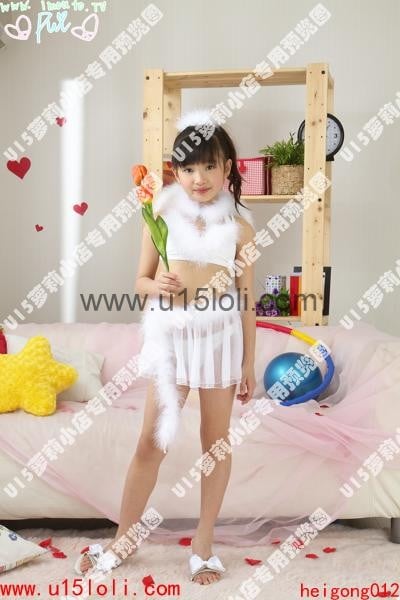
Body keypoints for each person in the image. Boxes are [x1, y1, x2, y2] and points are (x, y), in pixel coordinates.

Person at [74, 109, 257, 585]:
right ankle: (124, 538)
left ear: (227, 167)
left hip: (219, 337)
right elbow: (139, 281)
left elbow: (247, 300)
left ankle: (203, 545)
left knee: (215, 442)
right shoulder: (160, 214)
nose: (200, 178)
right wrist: (158, 285)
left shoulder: (242, 227)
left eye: (210, 166)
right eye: (189, 168)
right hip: (174, 335)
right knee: (151, 441)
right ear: (176, 170)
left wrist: (249, 362)